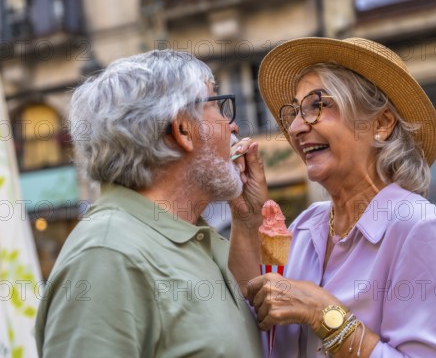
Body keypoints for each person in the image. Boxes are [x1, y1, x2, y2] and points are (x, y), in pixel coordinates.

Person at [232, 37, 436, 357]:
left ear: (381, 124)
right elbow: (254, 327)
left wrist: (322, 314)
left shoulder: (419, 227)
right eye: (294, 112)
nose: (297, 127)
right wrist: (247, 217)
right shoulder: (305, 226)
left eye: (318, 105)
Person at [35, 50, 265, 357]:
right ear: (183, 130)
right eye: (218, 107)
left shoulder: (186, 233)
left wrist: (248, 220)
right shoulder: (108, 255)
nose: (232, 127)